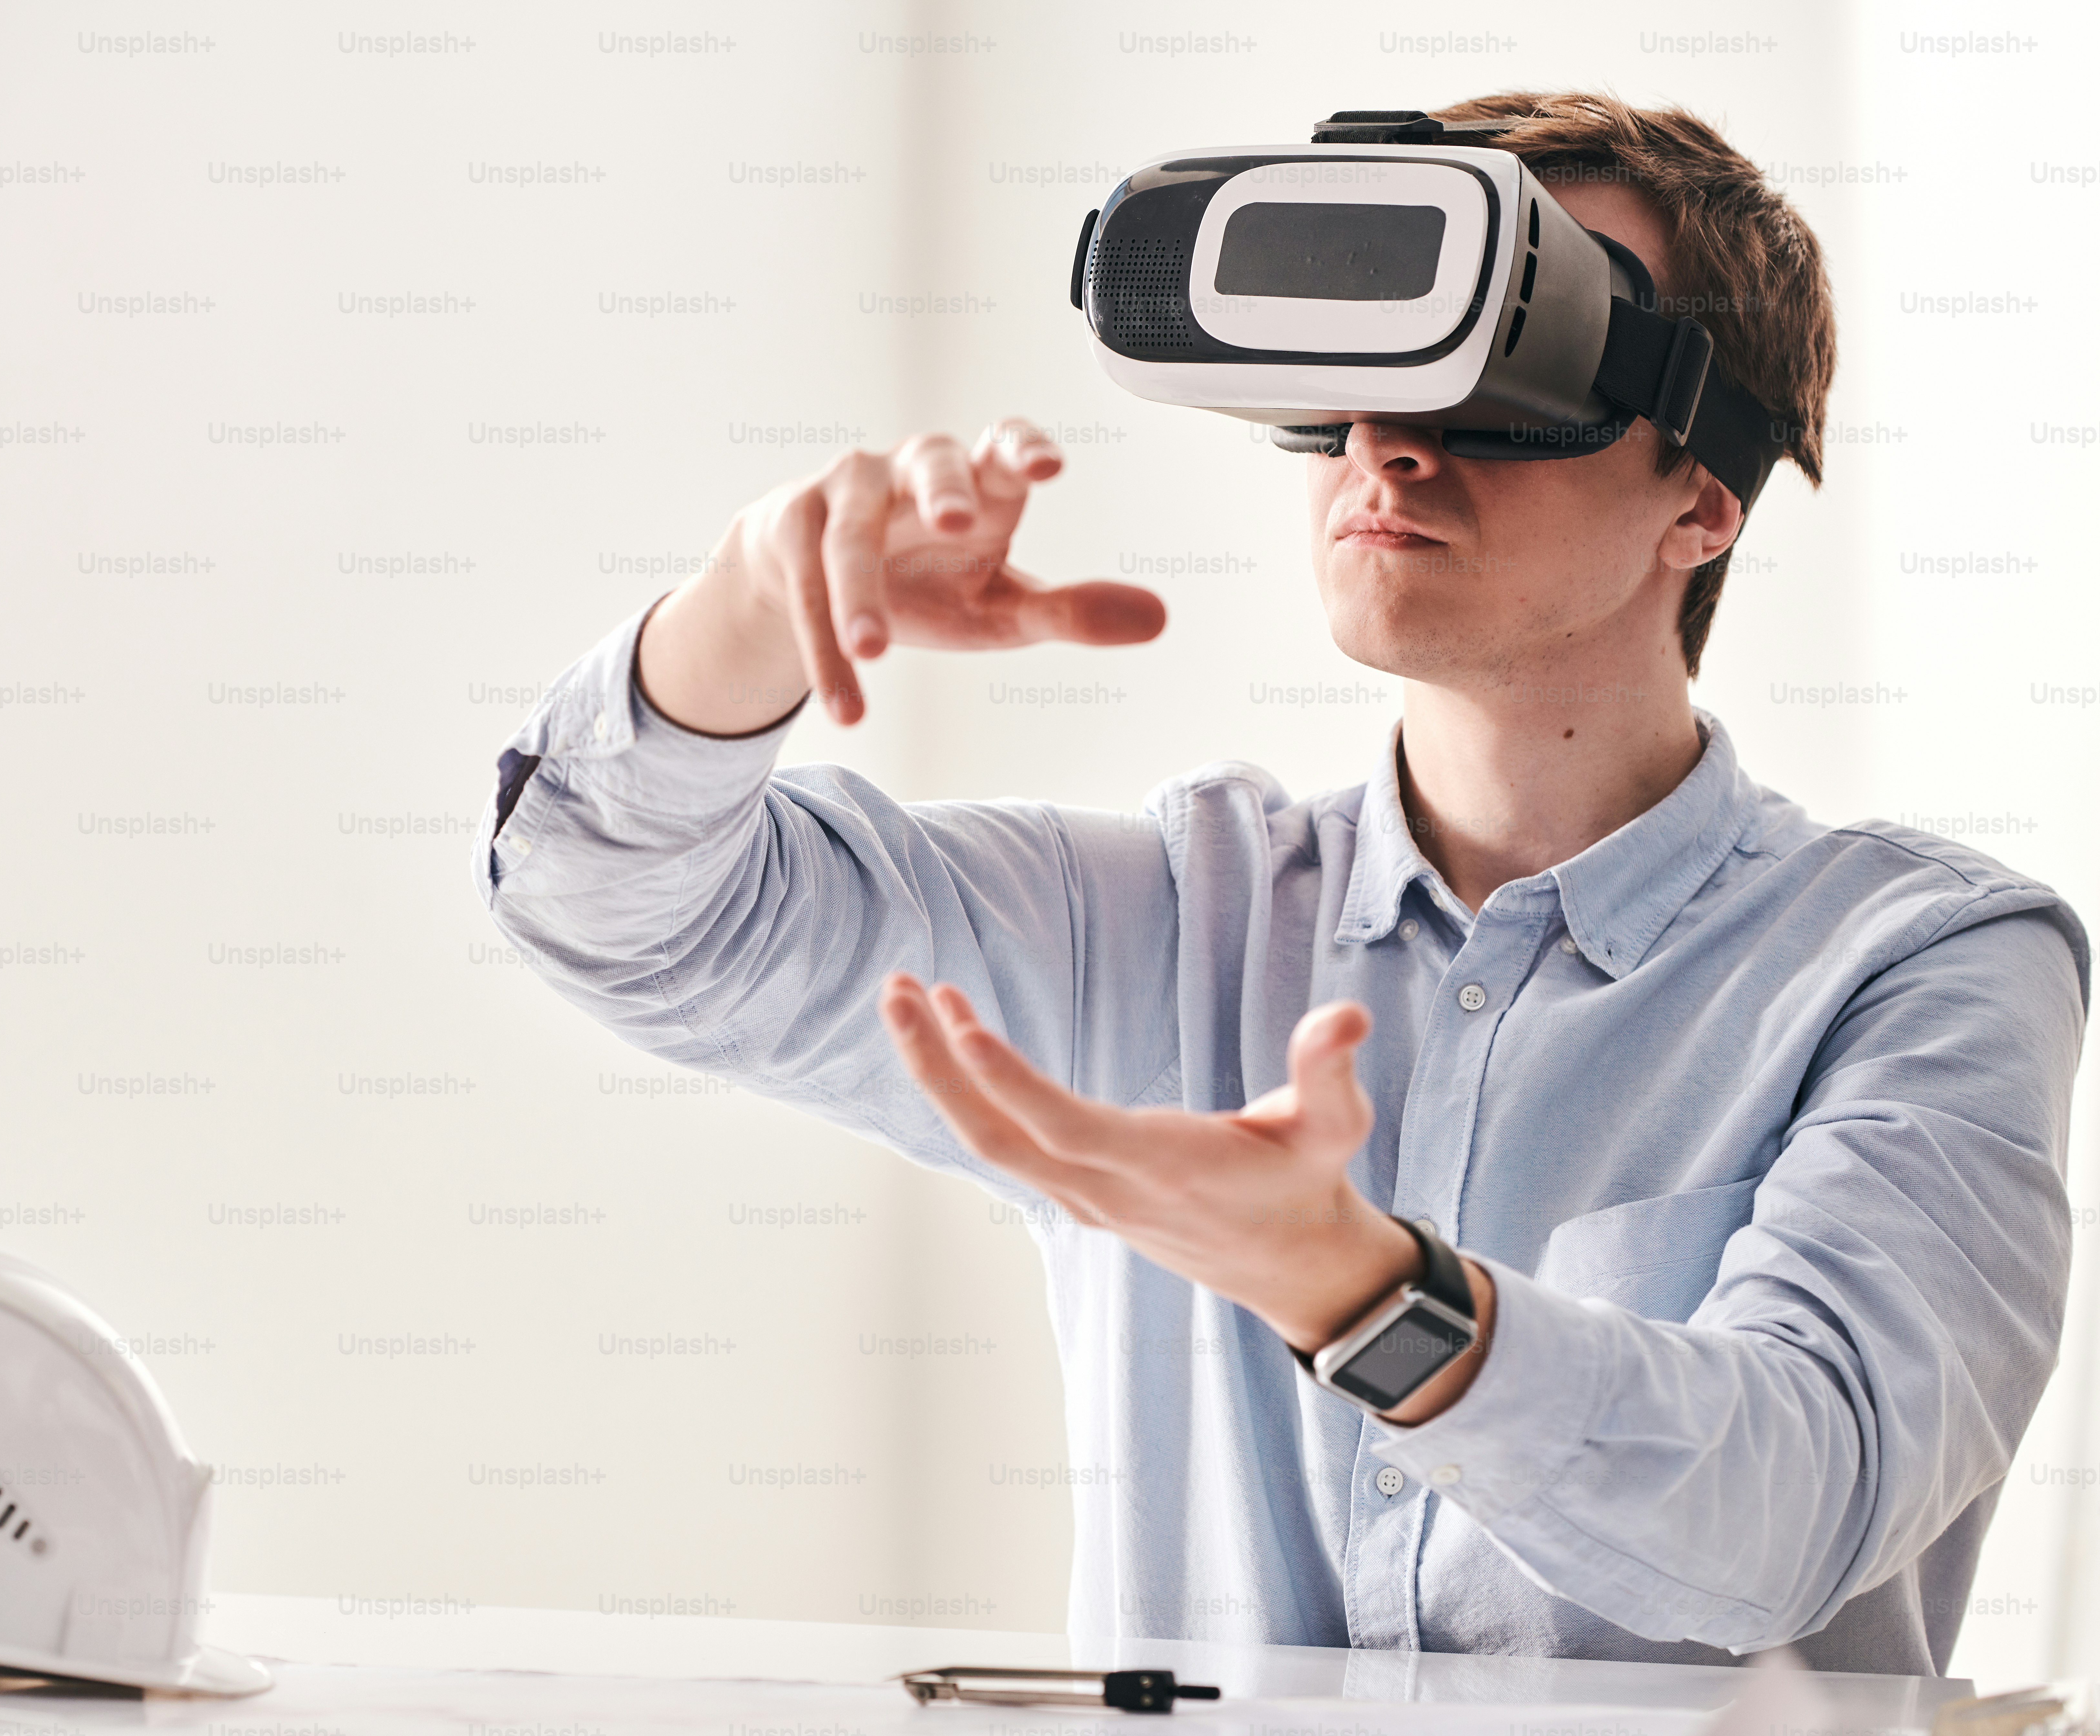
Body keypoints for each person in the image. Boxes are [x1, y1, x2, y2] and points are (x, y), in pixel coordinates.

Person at [470, 92, 2086, 1673]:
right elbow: (619, 914)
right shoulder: (1161, 923)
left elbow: (1791, 1511)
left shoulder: (1919, 962)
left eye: (1508, 375)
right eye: (1356, 374)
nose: (1389, 444)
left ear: (1703, 494)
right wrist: (741, 623)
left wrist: (1363, 1293)